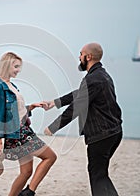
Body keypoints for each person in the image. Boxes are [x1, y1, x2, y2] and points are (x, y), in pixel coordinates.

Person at [43, 43, 122, 196]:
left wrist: (53, 127)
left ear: (88, 57)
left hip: (102, 135)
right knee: (100, 173)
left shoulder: (93, 79)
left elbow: (77, 107)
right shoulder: (101, 75)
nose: (79, 57)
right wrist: (56, 102)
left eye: (81, 54)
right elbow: (80, 93)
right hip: (114, 132)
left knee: (97, 175)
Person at [0, 52, 57, 196]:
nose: (18, 70)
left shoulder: (11, 85)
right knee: (50, 157)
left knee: (26, 172)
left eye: (19, 67)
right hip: (19, 134)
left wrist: (32, 106)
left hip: (22, 130)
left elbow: (16, 112)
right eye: (16, 66)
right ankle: (29, 192)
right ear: (6, 65)